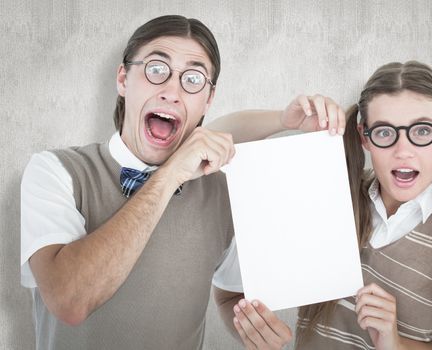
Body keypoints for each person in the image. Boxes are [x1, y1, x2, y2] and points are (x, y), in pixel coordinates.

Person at [20, 15, 344, 350]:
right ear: (122, 79)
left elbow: (230, 294)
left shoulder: (219, 192)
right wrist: (169, 174)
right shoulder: (55, 171)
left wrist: (252, 326)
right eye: (156, 69)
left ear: (208, 99)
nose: (171, 92)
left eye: (192, 78)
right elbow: (70, 301)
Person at [213, 61, 432, 350]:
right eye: (385, 132)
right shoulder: (327, 197)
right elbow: (209, 141)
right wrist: (285, 121)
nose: (403, 151)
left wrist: (396, 344)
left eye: (422, 131)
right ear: (365, 137)